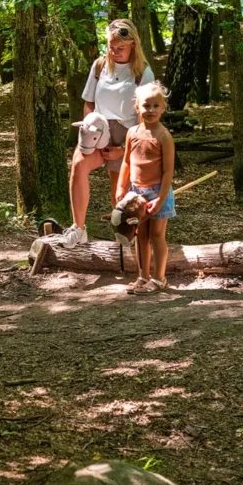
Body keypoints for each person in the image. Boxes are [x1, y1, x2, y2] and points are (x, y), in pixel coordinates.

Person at [60, 19, 154, 248]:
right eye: (111, 47)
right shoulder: (100, 66)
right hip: (98, 128)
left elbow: (146, 119)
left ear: (133, 44)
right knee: (78, 167)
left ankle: (123, 240)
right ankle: (78, 228)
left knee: (119, 191)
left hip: (128, 135)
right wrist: (91, 127)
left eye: (120, 48)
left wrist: (123, 149)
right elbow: (88, 103)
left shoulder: (143, 73)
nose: (114, 52)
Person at [117, 82, 176, 294]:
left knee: (157, 235)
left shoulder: (163, 136)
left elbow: (168, 171)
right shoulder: (132, 132)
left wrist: (160, 199)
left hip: (159, 191)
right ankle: (143, 276)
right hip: (136, 193)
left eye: (155, 106)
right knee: (140, 234)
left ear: (163, 108)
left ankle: (160, 279)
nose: (150, 110)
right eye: (146, 106)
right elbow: (126, 162)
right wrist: (120, 188)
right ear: (137, 108)